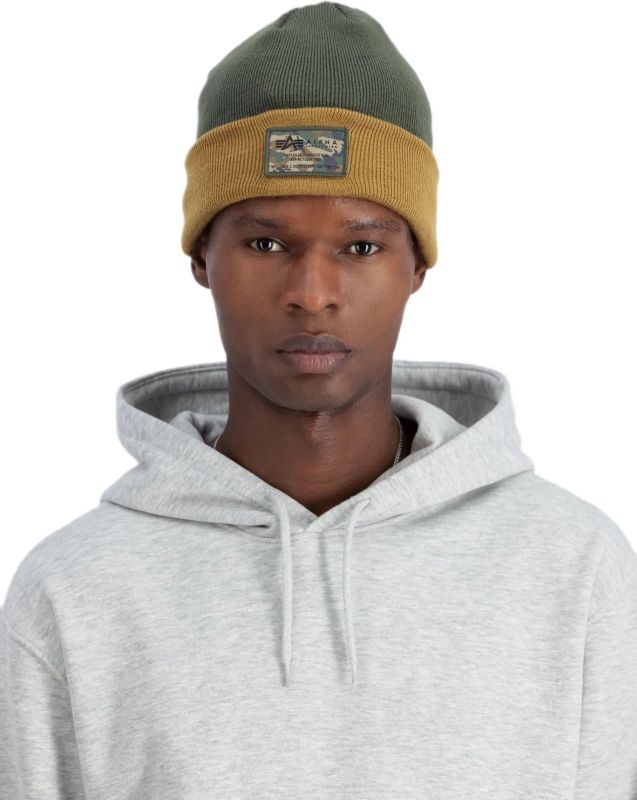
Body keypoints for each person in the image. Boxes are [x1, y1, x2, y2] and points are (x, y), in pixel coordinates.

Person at [1, 2, 636, 798]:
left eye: (361, 246)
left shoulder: (571, 565)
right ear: (202, 258)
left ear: (416, 266)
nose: (312, 292)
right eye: (264, 243)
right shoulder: (76, 590)